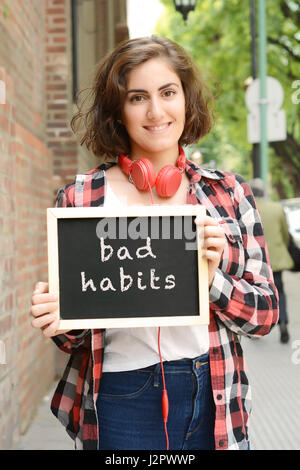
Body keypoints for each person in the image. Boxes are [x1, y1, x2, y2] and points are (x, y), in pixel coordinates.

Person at [30, 36, 278, 451]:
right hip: (121, 395)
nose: (156, 111)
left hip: (215, 390)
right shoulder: (81, 199)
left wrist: (210, 276)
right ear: (118, 112)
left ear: (186, 100)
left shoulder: (229, 194)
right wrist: (59, 318)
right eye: (137, 97)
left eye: (168, 93)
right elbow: (74, 338)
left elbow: (265, 315)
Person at [249, 178, 293, 343]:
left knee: (257, 292)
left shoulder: (249, 209)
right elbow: (285, 234)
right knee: (279, 291)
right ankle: (283, 321)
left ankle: (257, 326)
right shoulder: (277, 208)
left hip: (255, 260)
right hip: (276, 259)